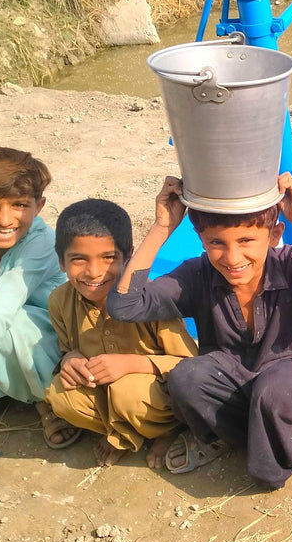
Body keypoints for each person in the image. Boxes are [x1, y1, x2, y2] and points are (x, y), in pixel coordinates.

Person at [106, 173, 292, 489]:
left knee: (275, 393)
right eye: (216, 243)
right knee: (186, 378)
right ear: (201, 238)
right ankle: (224, 436)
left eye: (246, 241)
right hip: (230, 377)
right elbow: (124, 306)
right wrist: (161, 228)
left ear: (274, 235)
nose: (232, 259)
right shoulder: (196, 275)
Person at [44, 199, 197, 467]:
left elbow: (190, 364)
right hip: (107, 393)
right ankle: (124, 433)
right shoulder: (59, 301)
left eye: (109, 258)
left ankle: (167, 431)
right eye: (78, 260)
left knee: (129, 391)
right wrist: (70, 361)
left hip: (152, 396)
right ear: (61, 262)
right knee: (60, 394)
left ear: (129, 255)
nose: (94, 272)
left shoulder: (151, 300)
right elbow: (66, 349)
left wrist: (131, 364)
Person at [0, 143, 77, 464]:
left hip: (42, 342)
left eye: (20, 205)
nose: (5, 219)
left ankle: (45, 399)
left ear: (39, 206)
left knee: (14, 326)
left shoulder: (40, 242)